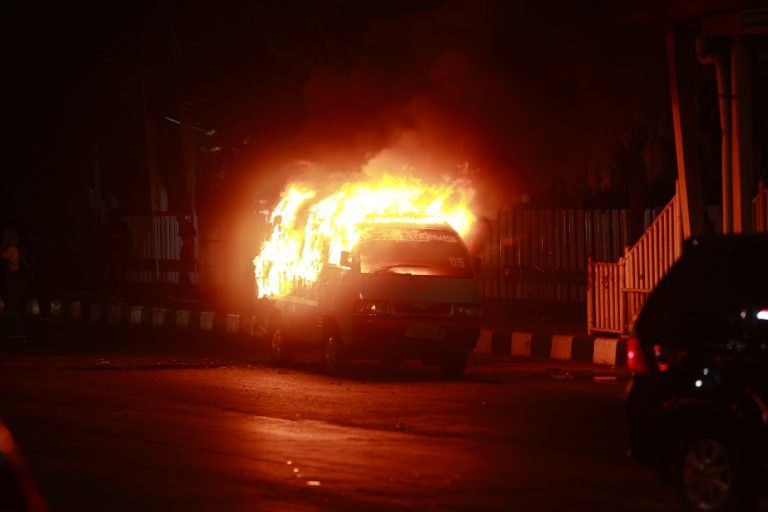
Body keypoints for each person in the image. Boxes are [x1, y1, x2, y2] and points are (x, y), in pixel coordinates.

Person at [1, 229, 30, 339]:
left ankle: (17, 330)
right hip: (19, 278)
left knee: (13, 304)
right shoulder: (18, 249)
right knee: (16, 305)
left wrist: (3, 245)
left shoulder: (11, 248)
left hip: (13, 277)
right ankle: (19, 330)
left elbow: (2, 256)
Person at [101, 209, 131, 298]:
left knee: (119, 273)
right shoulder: (110, 226)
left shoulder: (122, 226)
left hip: (119, 253)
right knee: (111, 272)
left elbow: (123, 237)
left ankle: (119, 292)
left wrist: (112, 235)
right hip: (111, 253)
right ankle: (112, 291)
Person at [177, 215, 197, 297]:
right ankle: (186, 288)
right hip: (187, 248)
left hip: (187, 248)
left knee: (183, 271)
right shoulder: (185, 223)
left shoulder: (184, 224)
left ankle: (185, 289)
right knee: (183, 271)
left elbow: (192, 234)